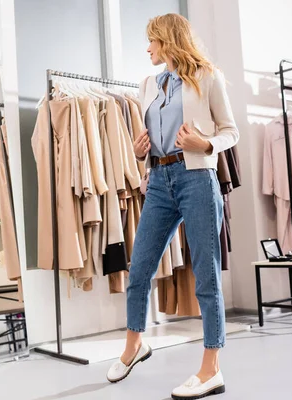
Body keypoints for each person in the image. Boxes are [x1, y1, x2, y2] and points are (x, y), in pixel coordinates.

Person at [106, 13, 239, 399]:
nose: (147, 48)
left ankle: (211, 367)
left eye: (152, 41)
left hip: (197, 178)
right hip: (160, 181)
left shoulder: (208, 76)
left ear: (167, 41)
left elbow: (230, 130)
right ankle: (134, 345)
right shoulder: (149, 83)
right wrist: (137, 152)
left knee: (207, 276)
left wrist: (207, 144)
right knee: (140, 269)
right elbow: (150, 138)